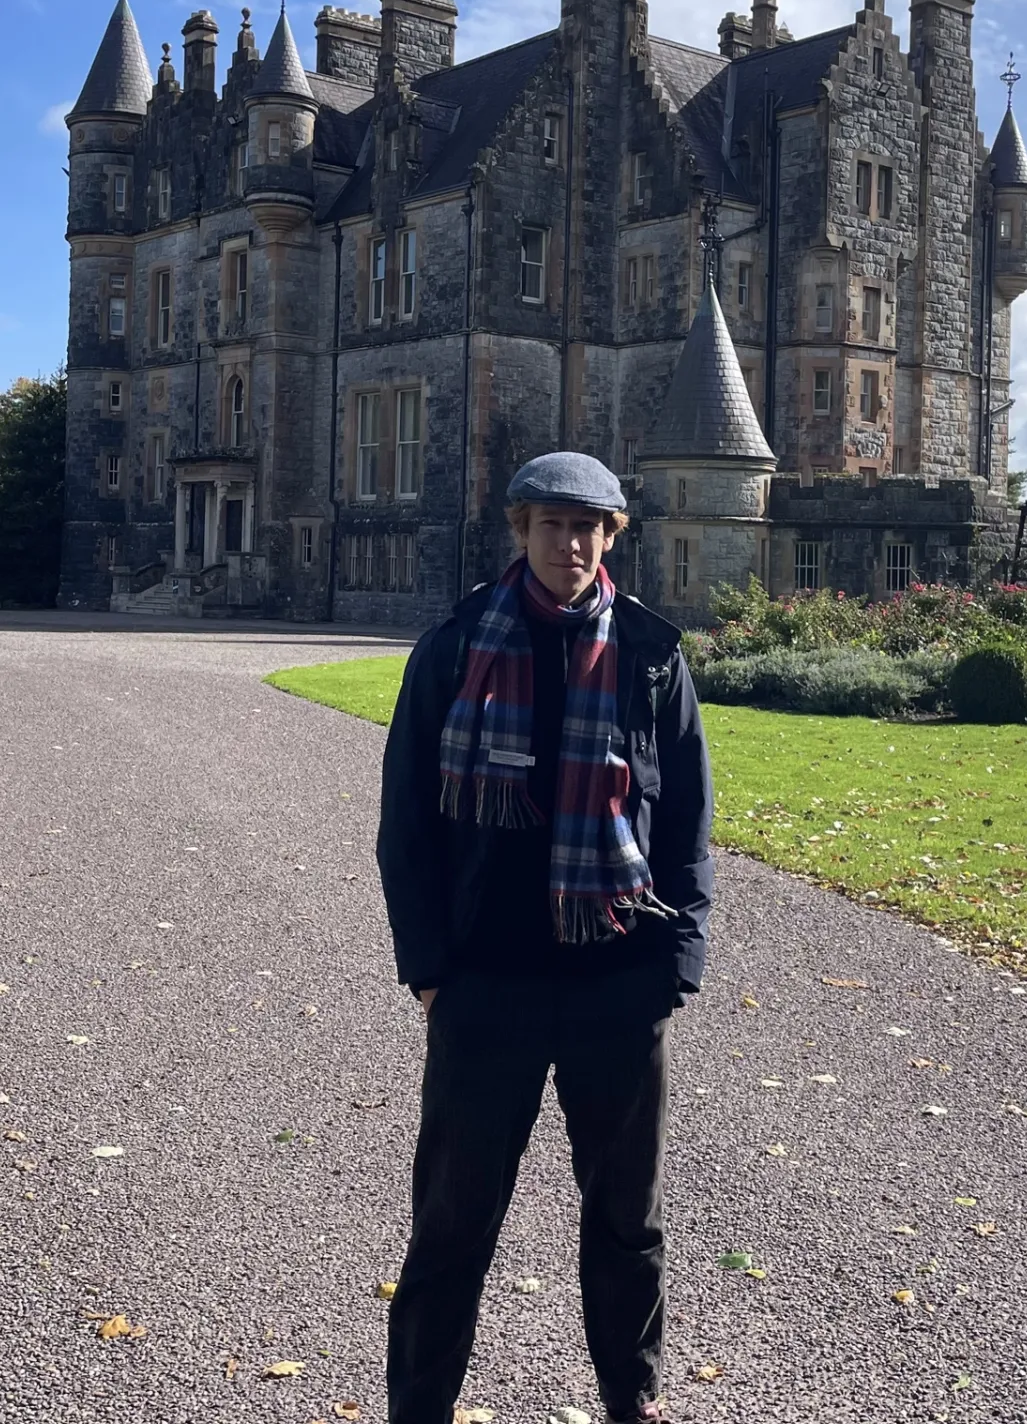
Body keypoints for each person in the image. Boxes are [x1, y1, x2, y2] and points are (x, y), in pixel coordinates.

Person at [376, 451, 714, 1424]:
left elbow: (687, 818)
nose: (571, 544)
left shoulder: (651, 652)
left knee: (624, 1222)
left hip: (619, 981)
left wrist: (676, 967)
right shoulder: (453, 649)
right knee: (452, 1225)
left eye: (589, 527)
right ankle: (419, 1410)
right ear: (521, 532)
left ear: (611, 538)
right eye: (553, 525)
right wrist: (433, 970)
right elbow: (407, 824)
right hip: (490, 984)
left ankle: (630, 1401)